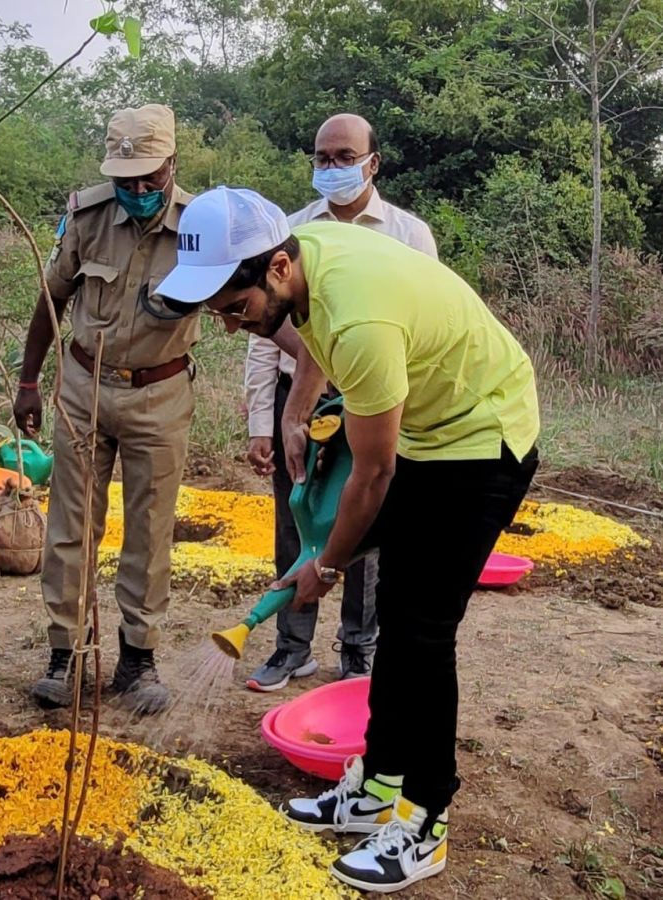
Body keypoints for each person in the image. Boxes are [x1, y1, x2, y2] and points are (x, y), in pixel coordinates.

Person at [157, 186, 539, 892]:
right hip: (430, 431)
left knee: (424, 632)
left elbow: (374, 473)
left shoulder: (358, 316)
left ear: (276, 267)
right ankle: (377, 787)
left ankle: (424, 821)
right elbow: (315, 341)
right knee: (399, 615)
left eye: (235, 308)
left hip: (482, 440)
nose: (233, 326)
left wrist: (326, 566)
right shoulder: (308, 259)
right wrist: (296, 413)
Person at [14, 104, 197, 716]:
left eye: (151, 178)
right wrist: (29, 381)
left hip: (160, 394)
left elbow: (245, 304)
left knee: (149, 529)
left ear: (172, 164)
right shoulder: (87, 217)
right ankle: (65, 655)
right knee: (71, 525)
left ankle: (137, 660)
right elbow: (51, 299)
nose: (139, 191)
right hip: (83, 388)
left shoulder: (200, 227)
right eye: (126, 180)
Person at [244, 113, 437, 690]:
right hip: (300, 400)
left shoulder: (408, 235)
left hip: (375, 398)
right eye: (322, 158)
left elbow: (424, 325)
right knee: (296, 518)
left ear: (372, 163)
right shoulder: (290, 232)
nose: (332, 168)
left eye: (344, 158)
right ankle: (291, 646)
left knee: (365, 517)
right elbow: (264, 331)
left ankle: (359, 648)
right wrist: (263, 421)